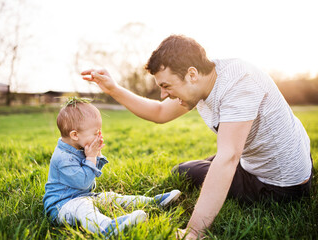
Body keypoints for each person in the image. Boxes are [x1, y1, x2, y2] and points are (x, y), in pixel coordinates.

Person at [81, 35, 313, 239]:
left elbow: (229, 157)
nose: (163, 94)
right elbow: (160, 112)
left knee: (186, 170)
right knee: (194, 168)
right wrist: (113, 89)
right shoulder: (207, 80)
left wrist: (194, 231)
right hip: (270, 161)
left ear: (191, 74)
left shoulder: (239, 84)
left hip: (280, 186)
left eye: (166, 85)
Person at [42, 97, 182, 238]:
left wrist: (96, 154)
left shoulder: (78, 145)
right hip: (61, 206)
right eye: (96, 133)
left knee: (110, 197)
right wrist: (91, 157)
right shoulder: (63, 157)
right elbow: (83, 183)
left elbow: (90, 178)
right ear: (75, 135)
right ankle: (105, 228)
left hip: (83, 196)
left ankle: (152, 202)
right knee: (83, 207)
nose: (99, 136)